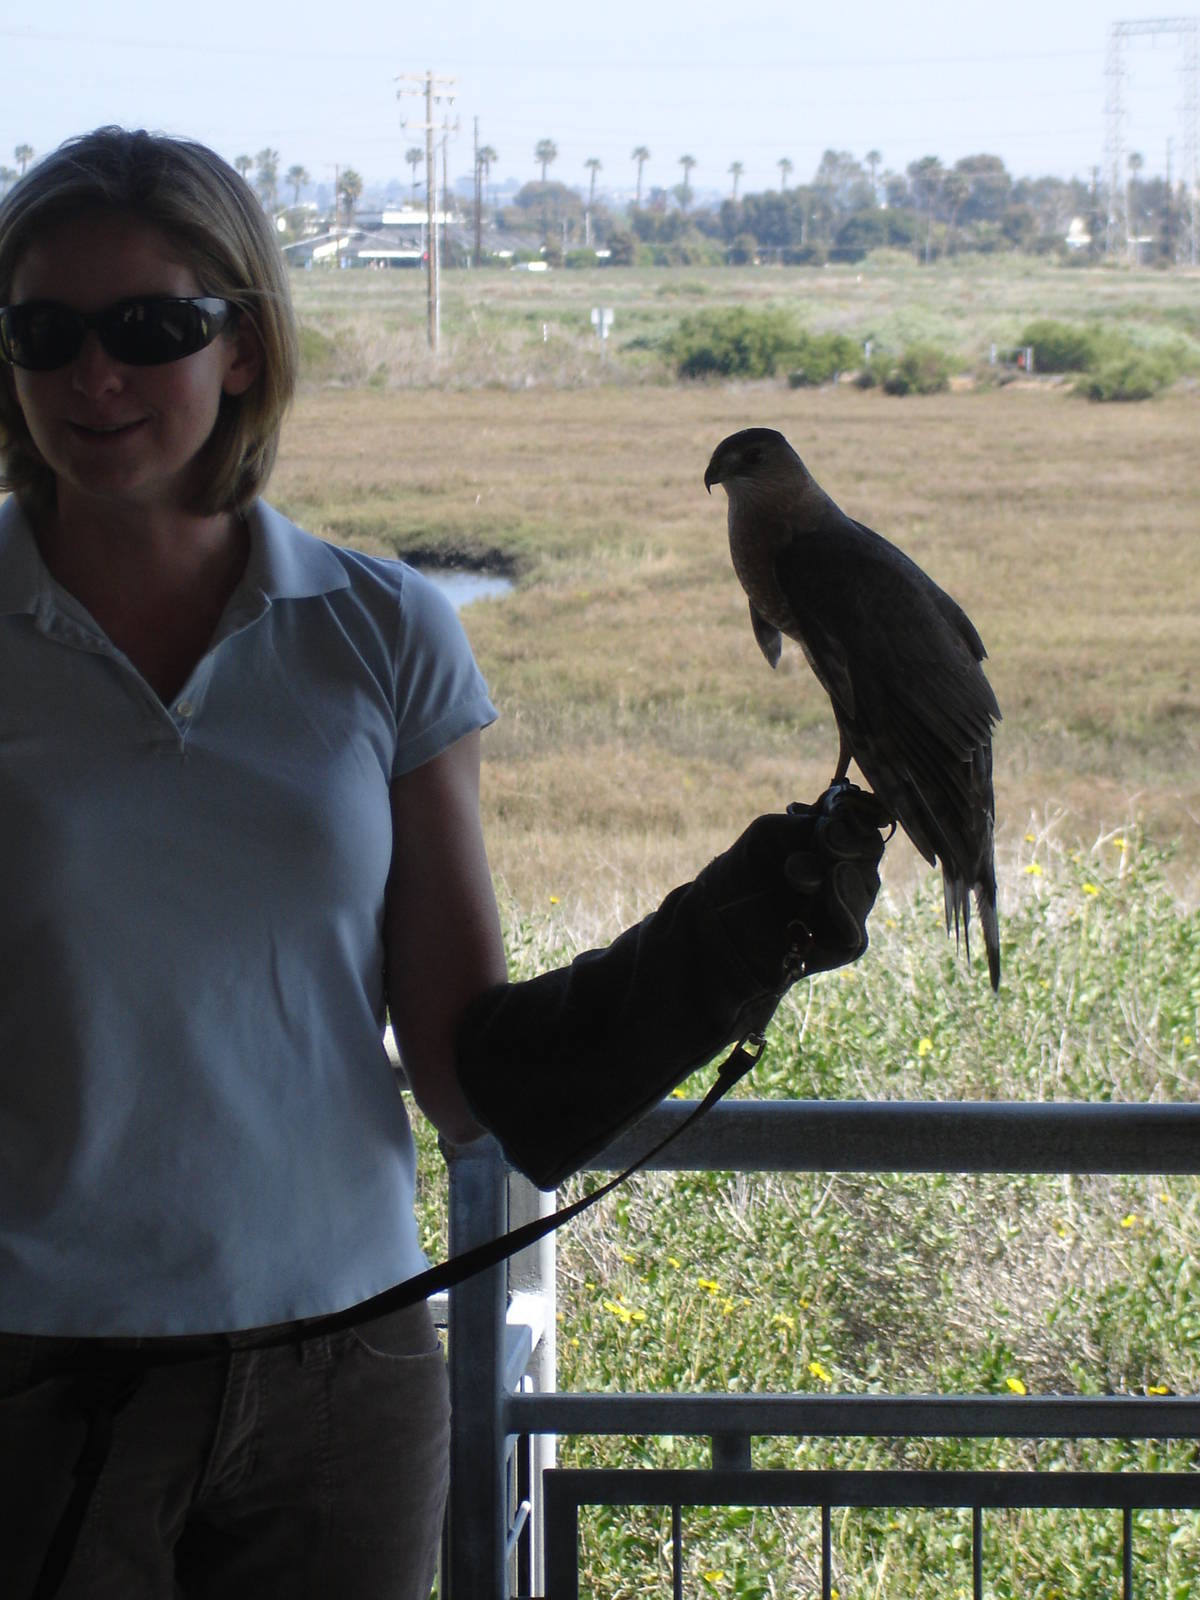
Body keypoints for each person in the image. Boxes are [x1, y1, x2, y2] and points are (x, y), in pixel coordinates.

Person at [0, 128, 888, 1600]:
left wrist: (728, 942)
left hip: (342, 1370)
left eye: (152, 328)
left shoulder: (382, 630)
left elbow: (474, 1077)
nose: (94, 378)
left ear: (245, 346)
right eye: (44, 331)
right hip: (35, 1371)